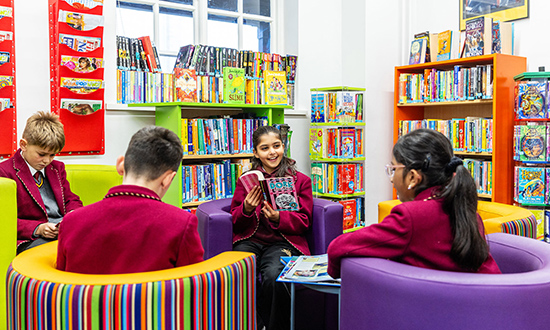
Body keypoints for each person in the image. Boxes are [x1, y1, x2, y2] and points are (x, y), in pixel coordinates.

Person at [327, 128, 501, 279]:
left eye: (393, 169)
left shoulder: (411, 216)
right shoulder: (464, 209)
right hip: (490, 306)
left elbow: (338, 247)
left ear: (412, 177)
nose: (391, 179)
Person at [56, 126, 204, 274]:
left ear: (121, 164)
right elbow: (195, 287)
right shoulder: (182, 224)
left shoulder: (71, 222)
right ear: (168, 179)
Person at [231, 125, 313, 330]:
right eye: (265, 148)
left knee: (273, 275)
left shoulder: (300, 180)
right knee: (237, 271)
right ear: (256, 153)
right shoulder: (247, 180)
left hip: (282, 241)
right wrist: (247, 208)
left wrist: (279, 218)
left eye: (276, 146)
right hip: (250, 240)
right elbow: (236, 220)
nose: (272, 152)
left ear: (283, 146)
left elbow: (304, 220)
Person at [0, 111, 83, 254]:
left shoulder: (56, 168)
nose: (47, 160)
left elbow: (71, 199)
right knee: (63, 251)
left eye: (52, 155)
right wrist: (38, 228)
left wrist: (72, 215)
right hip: (31, 238)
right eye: (42, 154)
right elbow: (5, 218)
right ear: (23, 145)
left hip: (61, 231)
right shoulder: (5, 172)